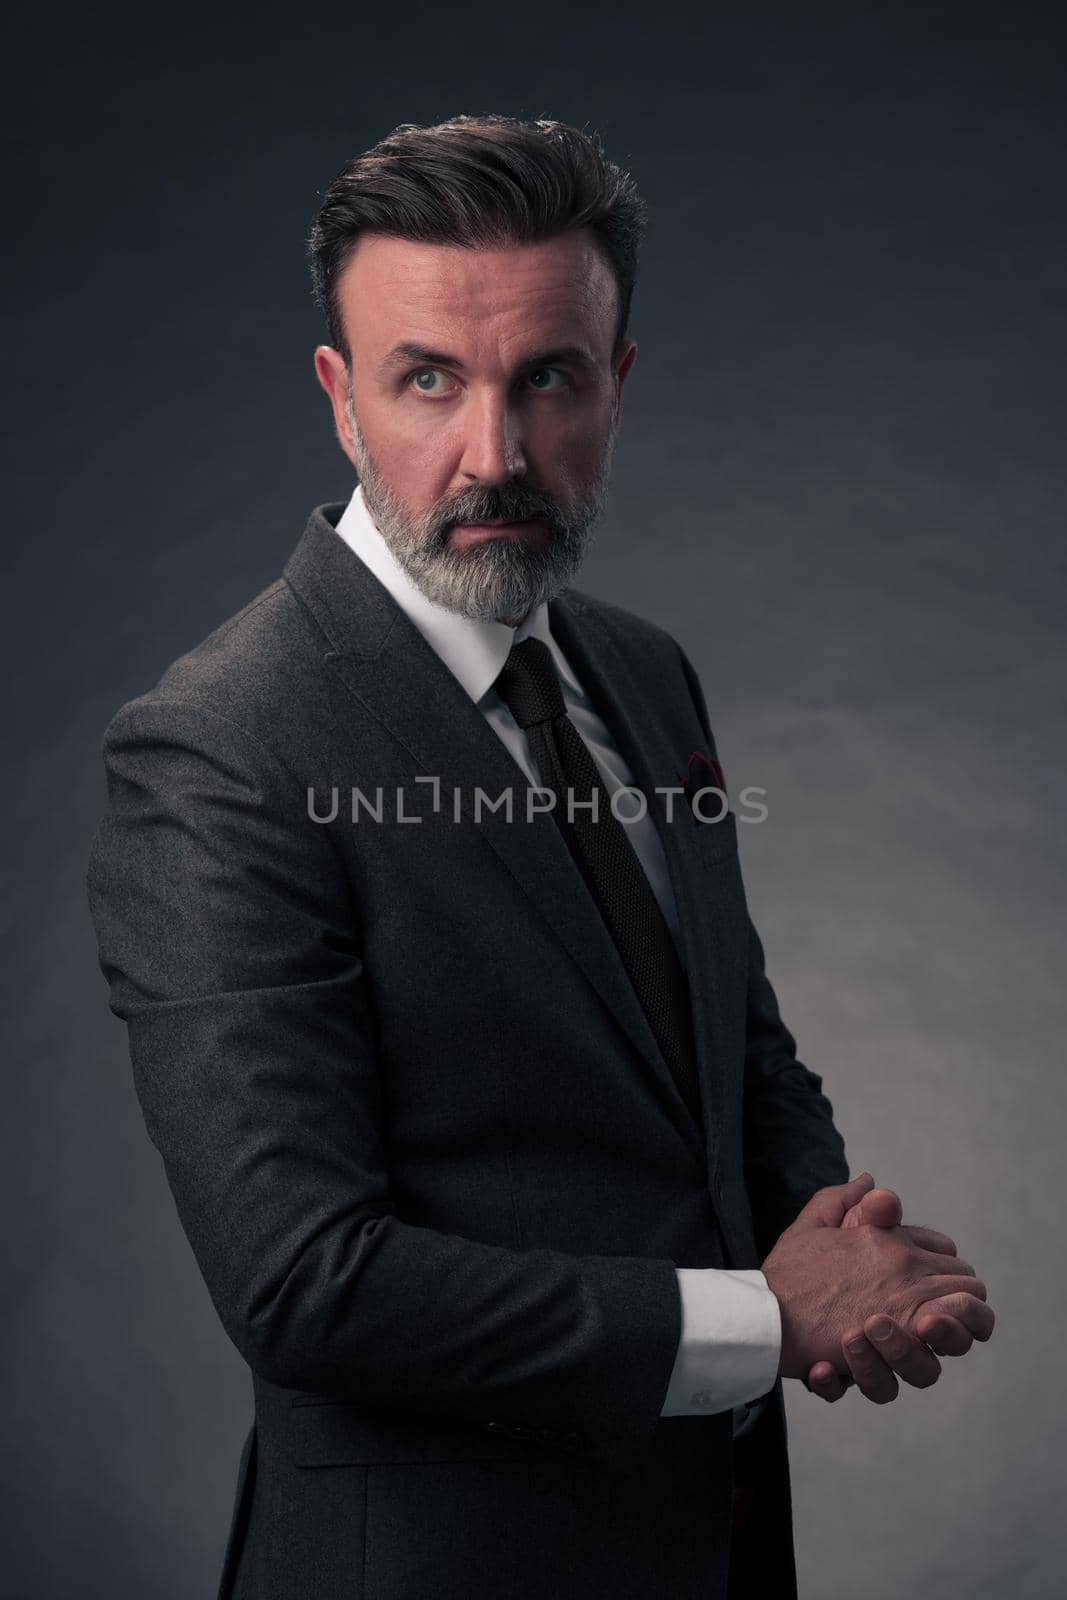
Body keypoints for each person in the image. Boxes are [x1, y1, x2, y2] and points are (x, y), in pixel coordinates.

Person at [86, 115, 994, 1600]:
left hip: (714, 1550)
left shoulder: (644, 675)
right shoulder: (219, 748)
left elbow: (733, 1051)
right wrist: (772, 1320)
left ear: (616, 384)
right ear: (339, 398)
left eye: (547, 379)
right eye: (427, 379)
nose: (493, 454)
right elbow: (305, 1284)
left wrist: (847, 1251)